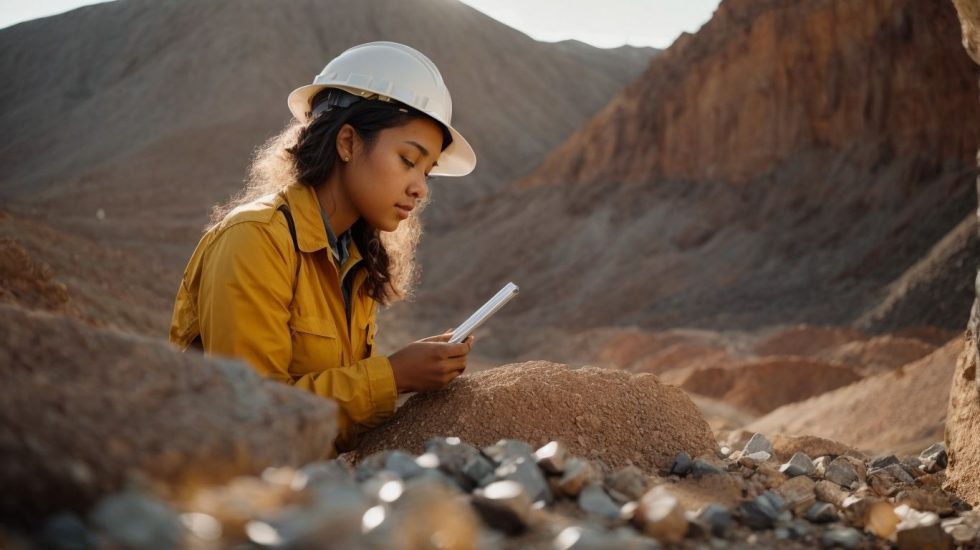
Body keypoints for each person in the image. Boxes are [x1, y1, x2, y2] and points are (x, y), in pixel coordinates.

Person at [169, 42, 477, 452]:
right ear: (347, 142)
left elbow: (330, 421)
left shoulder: (355, 259)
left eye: (428, 172)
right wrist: (393, 376)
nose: (420, 188)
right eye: (408, 160)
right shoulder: (254, 240)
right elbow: (253, 417)